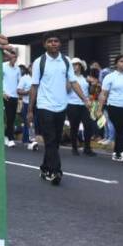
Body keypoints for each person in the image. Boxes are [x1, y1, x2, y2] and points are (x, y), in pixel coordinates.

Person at [27, 33, 89, 184]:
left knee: (54, 142)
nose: (53, 43)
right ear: (44, 44)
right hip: (44, 106)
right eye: (50, 41)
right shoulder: (39, 62)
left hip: (61, 106)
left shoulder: (66, 61)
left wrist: (85, 99)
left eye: (56, 41)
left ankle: (44, 167)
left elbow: (73, 82)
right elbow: (34, 86)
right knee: (50, 139)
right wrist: (30, 109)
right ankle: (56, 171)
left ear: (60, 44)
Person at [96, 54, 123, 162]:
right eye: (121, 61)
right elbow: (103, 94)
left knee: (122, 129)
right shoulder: (110, 77)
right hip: (114, 107)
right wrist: (99, 109)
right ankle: (122, 152)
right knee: (120, 129)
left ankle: (116, 153)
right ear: (116, 64)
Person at [65, 59, 95, 156]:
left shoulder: (85, 78)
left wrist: (93, 85)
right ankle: (74, 148)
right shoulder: (69, 77)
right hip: (72, 104)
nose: (74, 66)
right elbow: (67, 90)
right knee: (74, 127)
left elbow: (91, 92)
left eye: (76, 64)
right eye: (72, 65)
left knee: (88, 125)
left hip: (84, 105)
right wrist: (69, 79)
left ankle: (87, 148)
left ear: (80, 66)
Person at [2, 53, 20, 147]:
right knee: (9, 117)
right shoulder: (3, 66)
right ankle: (10, 138)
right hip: (6, 95)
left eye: (15, 57)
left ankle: (6, 135)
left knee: (12, 118)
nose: (14, 58)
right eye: (13, 56)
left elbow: (19, 82)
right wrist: (2, 92)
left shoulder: (17, 69)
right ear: (9, 57)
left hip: (15, 96)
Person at [16, 64, 33, 146]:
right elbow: (18, 91)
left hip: (39, 104)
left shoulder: (39, 78)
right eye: (32, 67)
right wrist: (28, 92)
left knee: (35, 123)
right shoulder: (25, 78)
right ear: (29, 69)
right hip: (27, 103)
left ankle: (33, 139)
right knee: (27, 122)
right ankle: (26, 140)